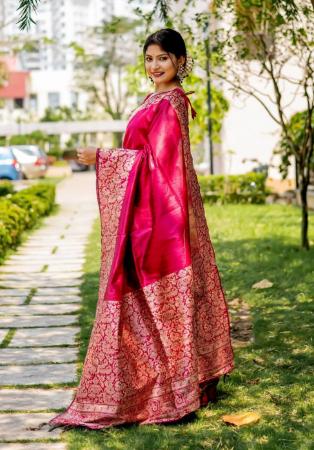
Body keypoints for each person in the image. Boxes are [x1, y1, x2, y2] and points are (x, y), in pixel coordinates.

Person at [48, 28, 234, 430]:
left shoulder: (170, 104)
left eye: (163, 59)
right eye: (149, 59)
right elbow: (145, 157)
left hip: (161, 222)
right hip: (150, 215)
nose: (155, 66)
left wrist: (102, 156)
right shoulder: (156, 99)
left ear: (180, 62)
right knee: (147, 307)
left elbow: (158, 167)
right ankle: (164, 383)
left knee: (157, 305)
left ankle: (173, 389)